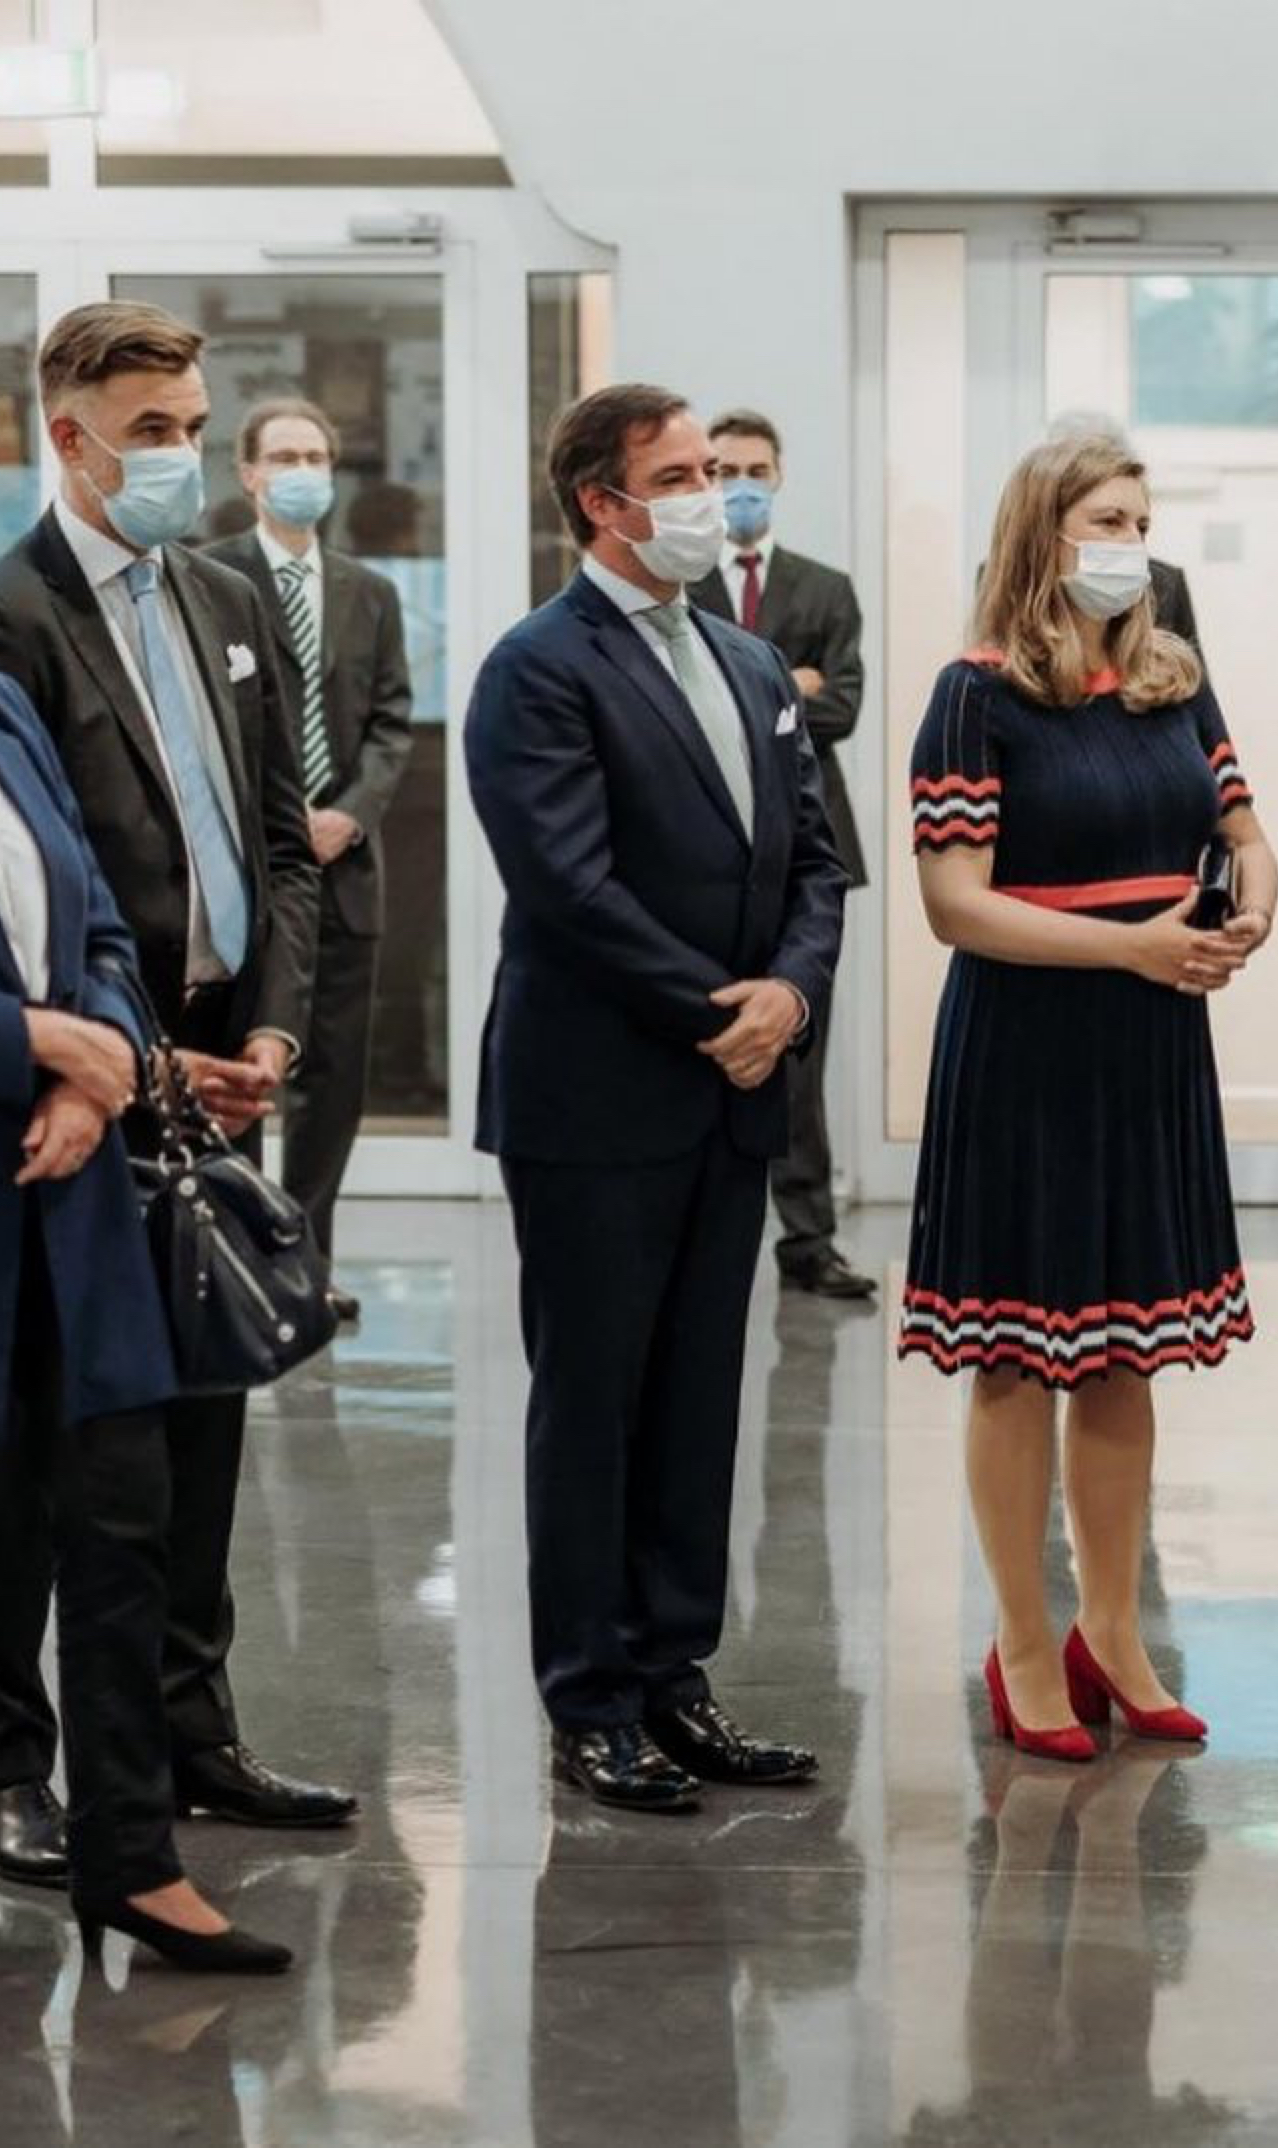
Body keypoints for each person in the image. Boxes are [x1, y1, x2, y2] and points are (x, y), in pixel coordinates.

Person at [0, 301, 354, 1873]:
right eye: (154, 433)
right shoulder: (4, 617)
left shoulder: (226, 592)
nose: (184, 454)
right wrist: (122, 1049)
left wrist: (273, 1037)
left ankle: (190, 1732)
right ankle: (10, 1767)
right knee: (38, 1438)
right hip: (78, 1068)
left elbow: (282, 840)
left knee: (199, 1413)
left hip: (222, 1059)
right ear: (72, 439)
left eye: (194, 425)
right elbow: (11, 894)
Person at [466, 382, 847, 1813]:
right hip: (597, 1097)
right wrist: (720, 1014)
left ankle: (676, 1675)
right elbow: (569, 889)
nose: (711, 496)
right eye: (678, 475)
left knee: (697, 1398)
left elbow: (816, 858)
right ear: (601, 502)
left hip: (732, 1091)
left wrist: (789, 995)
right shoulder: (537, 668)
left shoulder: (746, 662)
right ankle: (592, 1698)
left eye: (713, 472)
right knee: (595, 1400)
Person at [901, 431, 1278, 1758]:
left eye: (1140, 520)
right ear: (1041, 534)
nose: (1130, 542)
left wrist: (1251, 914)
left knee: (1123, 1351)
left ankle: (1112, 1631)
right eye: (1106, 519)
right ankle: (1022, 1642)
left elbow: (1244, 834)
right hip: (1028, 1043)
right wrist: (1130, 947)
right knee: (1017, 1356)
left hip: (1151, 1042)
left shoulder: (1173, 680)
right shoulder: (975, 695)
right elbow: (956, 905)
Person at [209, 397, 414, 1319]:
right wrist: (275, 817)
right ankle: (241, 1260)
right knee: (245, 1071)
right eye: (285, 457)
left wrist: (350, 815)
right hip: (251, 873)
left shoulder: (371, 592)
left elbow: (392, 723)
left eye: (317, 457)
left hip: (345, 871)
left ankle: (307, 1262)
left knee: (334, 1080)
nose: (303, 472)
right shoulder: (212, 577)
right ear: (249, 473)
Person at [691, 408, 874, 1299]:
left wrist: (763, 689)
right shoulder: (682, 586)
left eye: (754, 470)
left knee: (800, 1050)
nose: (740, 487)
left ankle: (808, 1241)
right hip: (707, 847)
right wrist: (786, 680)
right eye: (723, 471)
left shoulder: (825, 589)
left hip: (809, 844)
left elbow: (841, 707)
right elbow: (688, 706)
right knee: (710, 1035)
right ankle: (702, 1228)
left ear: (780, 474)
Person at [1042, 411, 1206, 656]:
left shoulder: (1165, 585)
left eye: (1142, 527)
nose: (1133, 541)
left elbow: (1190, 674)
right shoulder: (1004, 583)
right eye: (1109, 521)